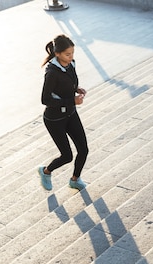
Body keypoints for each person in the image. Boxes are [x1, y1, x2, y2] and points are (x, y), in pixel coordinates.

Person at [38, 34, 89, 191]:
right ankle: (46, 171)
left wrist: (76, 89)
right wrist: (72, 101)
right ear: (57, 53)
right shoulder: (51, 73)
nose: (71, 57)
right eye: (67, 54)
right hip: (54, 119)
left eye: (73, 53)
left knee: (83, 150)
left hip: (70, 113)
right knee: (67, 156)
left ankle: (75, 179)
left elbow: (68, 82)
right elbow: (45, 99)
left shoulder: (71, 63)